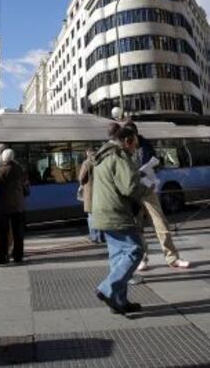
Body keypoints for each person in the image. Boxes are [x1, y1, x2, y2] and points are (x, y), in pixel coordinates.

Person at [92, 125, 152, 314]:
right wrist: (148, 187)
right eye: (135, 145)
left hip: (102, 212)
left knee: (118, 257)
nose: (135, 149)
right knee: (136, 249)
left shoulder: (102, 156)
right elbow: (129, 187)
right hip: (117, 212)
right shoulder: (119, 156)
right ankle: (107, 289)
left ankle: (119, 301)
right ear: (126, 141)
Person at [124, 120, 190, 271]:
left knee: (161, 222)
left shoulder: (146, 145)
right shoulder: (123, 149)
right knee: (137, 226)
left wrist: (154, 168)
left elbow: (156, 162)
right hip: (134, 192)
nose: (130, 141)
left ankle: (172, 257)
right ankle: (142, 258)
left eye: (132, 137)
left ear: (135, 135)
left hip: (147, 188)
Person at [0, 147, 29, 265]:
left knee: (3, 233)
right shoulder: (20, 169)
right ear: (13, 157)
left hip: (3, 207)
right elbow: (26, 188)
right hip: (18, 206)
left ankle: (3, 257)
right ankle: (18, 256)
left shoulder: (0, 170)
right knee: (18, 233)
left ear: (3, 158)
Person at [78, 146, 104, 243]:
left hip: (90, 192)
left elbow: (81, 178)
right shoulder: (101, 161)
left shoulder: (87, 162)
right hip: (100, 191)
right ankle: (101, 237)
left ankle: (94, 236)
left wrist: (81, 184)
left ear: (88, 152)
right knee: (100, 215)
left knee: (91, 216)